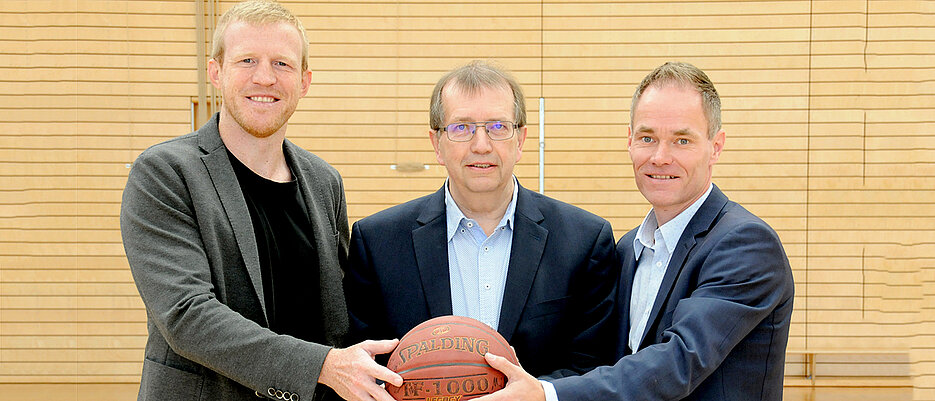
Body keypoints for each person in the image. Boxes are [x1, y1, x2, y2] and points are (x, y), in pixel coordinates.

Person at [120, 1, 401, 400]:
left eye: (282, 64)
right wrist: (322, 366)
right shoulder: (165, 173)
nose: (265, 77)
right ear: (216, 72)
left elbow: (339, 317)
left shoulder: (324, 182)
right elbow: (186, 315)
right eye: (247, 60)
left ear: (304, 81)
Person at [477, 61, 795, 401]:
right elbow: (605, 361)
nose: (660, 157)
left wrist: (546, 394)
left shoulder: (745, 245)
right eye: (647, 138)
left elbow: (677, 364)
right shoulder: (627, 249)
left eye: (682, 140)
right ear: (630, 141)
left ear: (715, 146)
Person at [343, 60, 618, 377]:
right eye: (461, 128)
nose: (481, 145)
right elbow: (367, 370)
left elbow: (593, 368)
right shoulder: (378, 243)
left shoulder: (584, 241)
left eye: (499, 127)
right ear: (437, 144)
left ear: (521, 141)